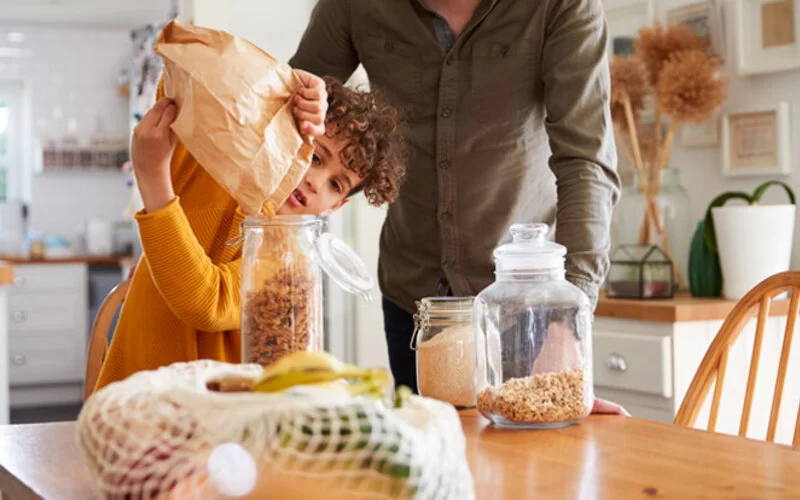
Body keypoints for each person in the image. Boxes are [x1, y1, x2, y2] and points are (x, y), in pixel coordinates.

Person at [291, 0, 626, 414]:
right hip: (412, 294)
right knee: (428, 461)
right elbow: (287, 113)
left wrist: (566, 321)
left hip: (525, 305)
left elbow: (585, 163)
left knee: (534, 468)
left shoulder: (562, 7)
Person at [93, 74, 406, 391]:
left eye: (335, 184)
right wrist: (281, 82)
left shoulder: (287, 259)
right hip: (132, 400)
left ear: (333, 207)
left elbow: (206, 303)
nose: (315, 181)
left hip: (215, 419)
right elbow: (181, 78)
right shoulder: (216, 161)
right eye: (315, 157)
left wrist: (153, 178)